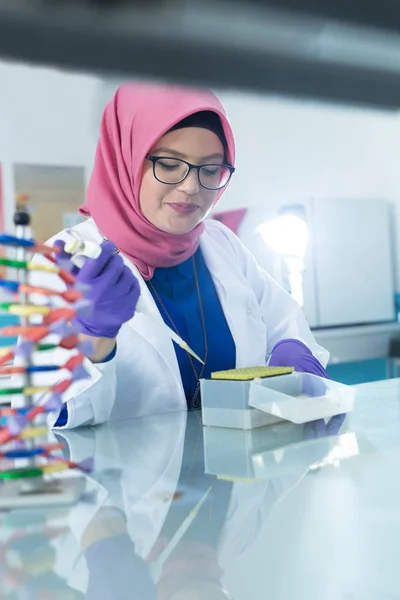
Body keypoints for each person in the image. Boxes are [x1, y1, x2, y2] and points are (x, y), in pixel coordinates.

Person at [22, 82, 329, 429]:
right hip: (128, 481)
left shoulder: (222, 245)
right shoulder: (64, 262)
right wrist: (93, 339)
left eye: (211, 170)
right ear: (125, 159)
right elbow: (43, 416)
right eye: (169, 164)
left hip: (237, 474)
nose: (191, 187)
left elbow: (287, 327)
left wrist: (295, 355)